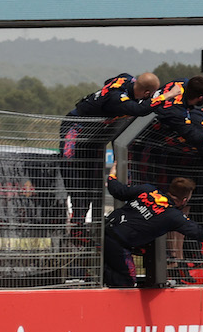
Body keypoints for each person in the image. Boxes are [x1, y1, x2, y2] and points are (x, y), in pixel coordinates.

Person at [102, 176, 203, 288]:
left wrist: (112, 176)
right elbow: (201, 234)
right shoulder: (174, 216)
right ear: (185, 200)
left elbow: (118, 191)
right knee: (127, 284)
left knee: (107, 278)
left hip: (104, 231)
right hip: (119, 245)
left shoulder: (148, 190)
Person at [59, 71, 160, 222]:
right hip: (75, 128)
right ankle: (75, 221)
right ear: (146, 92)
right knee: (72, 171)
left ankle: (80, 224)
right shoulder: (117, 98)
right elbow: (139, 110)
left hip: (94, 137)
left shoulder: (127, 79)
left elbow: (109, 80)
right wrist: (166, 97)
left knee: (92, 184)